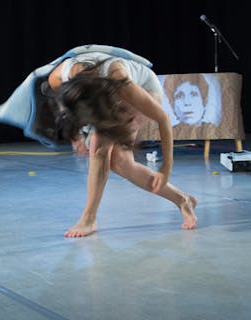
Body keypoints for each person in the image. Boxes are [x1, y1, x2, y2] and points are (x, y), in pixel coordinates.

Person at [45, 51, 198, 237]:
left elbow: (163, 118)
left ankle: (89, 218)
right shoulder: (58, 78)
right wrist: (75, 135)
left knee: (98, 146)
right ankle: (183, 200)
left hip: (145, 88)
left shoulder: (119, 80)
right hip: (104, 94)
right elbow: (66, 108)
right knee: (121, 164)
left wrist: (165, 167)